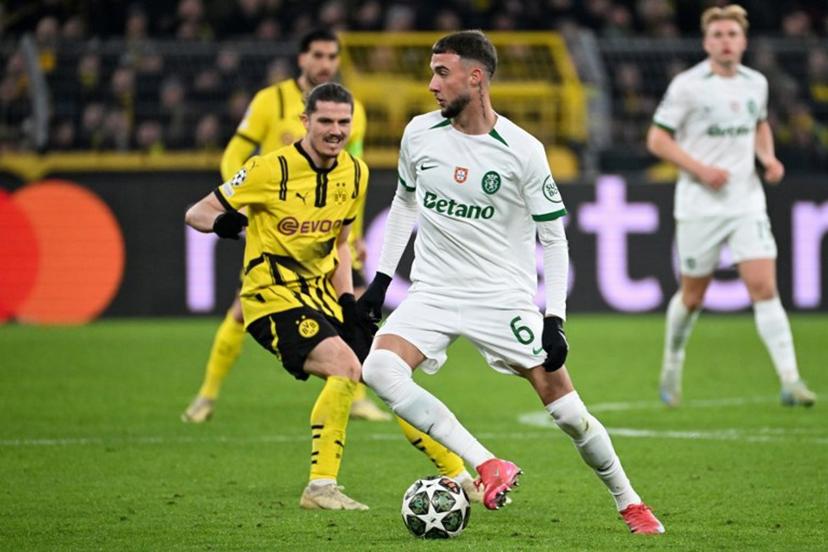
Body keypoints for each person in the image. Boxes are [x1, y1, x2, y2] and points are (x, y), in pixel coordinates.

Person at [357, 30, 664, 534]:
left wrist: (555, 317)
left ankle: (629, 501)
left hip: (501, 299)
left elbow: (555, 240)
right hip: (433, 292)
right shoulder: (419, 134)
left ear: (475, 78)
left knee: (569, 414)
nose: (431, 84)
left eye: (442, 73)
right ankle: (485, 463)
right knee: (380, 371)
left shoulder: (522, 150)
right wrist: (381, 282)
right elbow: (404, 203)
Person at [185, 82, 479, 510]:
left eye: (344, 121)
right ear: (305, 122)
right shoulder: (269, 170)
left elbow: (340, 244)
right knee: (344, 368)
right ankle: (320, 488)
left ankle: (459, 477)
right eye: (325, 120)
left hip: (322, 294)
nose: (335, 130)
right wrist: (229, 225)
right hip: (271, 297)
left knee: (388, 375)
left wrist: (346, 302)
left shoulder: (355, 173)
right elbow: (197, 213)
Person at [182, 28, 389, 424]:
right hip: (278, 227)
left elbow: (349, 181)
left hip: (327, 232)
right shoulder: (269, 100)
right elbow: (237, 153)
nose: (325, 63)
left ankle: (355, 391)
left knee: (355, 307)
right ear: (302, 59)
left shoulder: (353, 110)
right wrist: (242, 202)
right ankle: (206, 396)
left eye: (332, 56)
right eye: (318, 55)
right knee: (242, 310)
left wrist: (355, 234)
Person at [646, 5, 816, 408]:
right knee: (692, 297)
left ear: (743, 40)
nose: (726, 41)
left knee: (764, 287)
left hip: (745, 202)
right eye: (718, 35)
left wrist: (768, 158)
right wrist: (701, 169)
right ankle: (672, 362)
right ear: (707, 42)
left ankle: (790, 380)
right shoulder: (688, 85)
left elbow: (758, 124)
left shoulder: (755, 83)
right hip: (699, 204)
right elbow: (657, 139)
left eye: (732, 35)